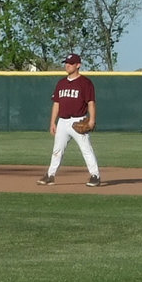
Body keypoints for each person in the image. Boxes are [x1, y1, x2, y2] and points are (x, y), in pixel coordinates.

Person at [37, 53, 101, 187]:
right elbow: (56, 103)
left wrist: (92, 120)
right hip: (63, 122)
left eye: (70, 63)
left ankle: (95, 175)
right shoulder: (61, 83)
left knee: (86, 149)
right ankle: (50, 175)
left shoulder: (85, 83)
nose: (67, 65)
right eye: (66, 63)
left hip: (78, 120)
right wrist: (52, 122)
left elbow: (91, 102)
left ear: (78, 65)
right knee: (57, 150)